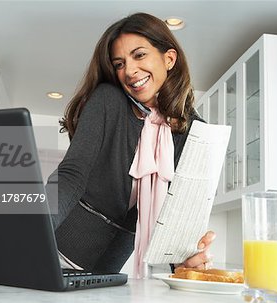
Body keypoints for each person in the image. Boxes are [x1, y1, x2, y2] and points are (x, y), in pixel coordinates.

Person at [45, 12, 215, 279]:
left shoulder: (195, 132)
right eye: (119, 63)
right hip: (54, 251)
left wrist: (184, 265)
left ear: (169, 59)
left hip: (106, 275)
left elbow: (178, 216)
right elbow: (71, 175)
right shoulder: (108, 100)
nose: (129, 71)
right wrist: (34, 230)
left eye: (139, 55)